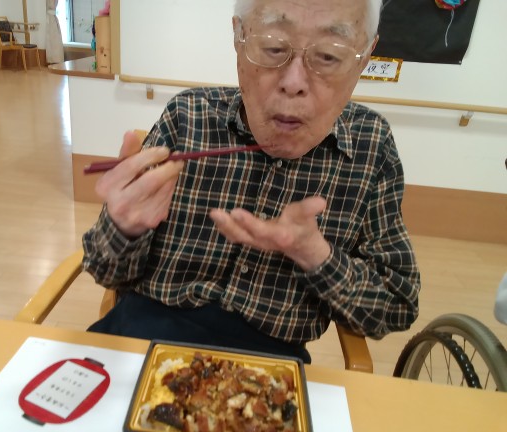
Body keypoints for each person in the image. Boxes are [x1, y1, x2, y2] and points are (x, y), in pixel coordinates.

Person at [82, 0, 420, 363]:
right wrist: (124, 227)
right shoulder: (188, 116)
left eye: (328, 56)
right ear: (238, 38)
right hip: (142, 339)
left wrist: (315, 255)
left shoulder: (371, 146)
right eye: (273, 47)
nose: (293, 84)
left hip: (269, 368)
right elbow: (104, 269)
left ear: (364, 57)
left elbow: (397, 305)